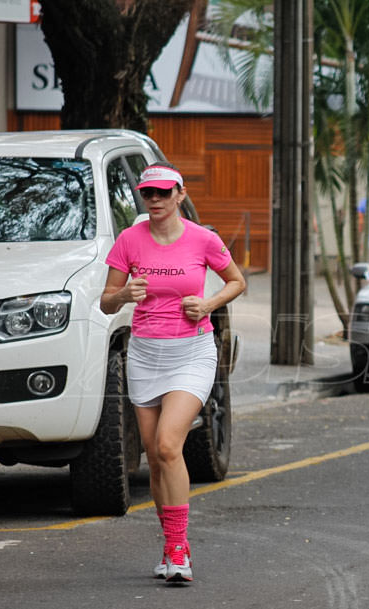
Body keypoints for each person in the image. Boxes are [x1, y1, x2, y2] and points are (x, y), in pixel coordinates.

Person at [100, 163, 246, 582]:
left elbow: (236, 281)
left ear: (180, 194)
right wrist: (124, 294)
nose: (156, 200)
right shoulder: (130, 240)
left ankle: (179, 549)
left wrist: (208, 304)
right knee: (157, 456)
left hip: (192, 353)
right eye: (148, 194)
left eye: (164, 193)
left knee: (167, 445)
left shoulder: (204, 239)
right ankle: (170, 545)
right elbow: (106, 302)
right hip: (145, 355)